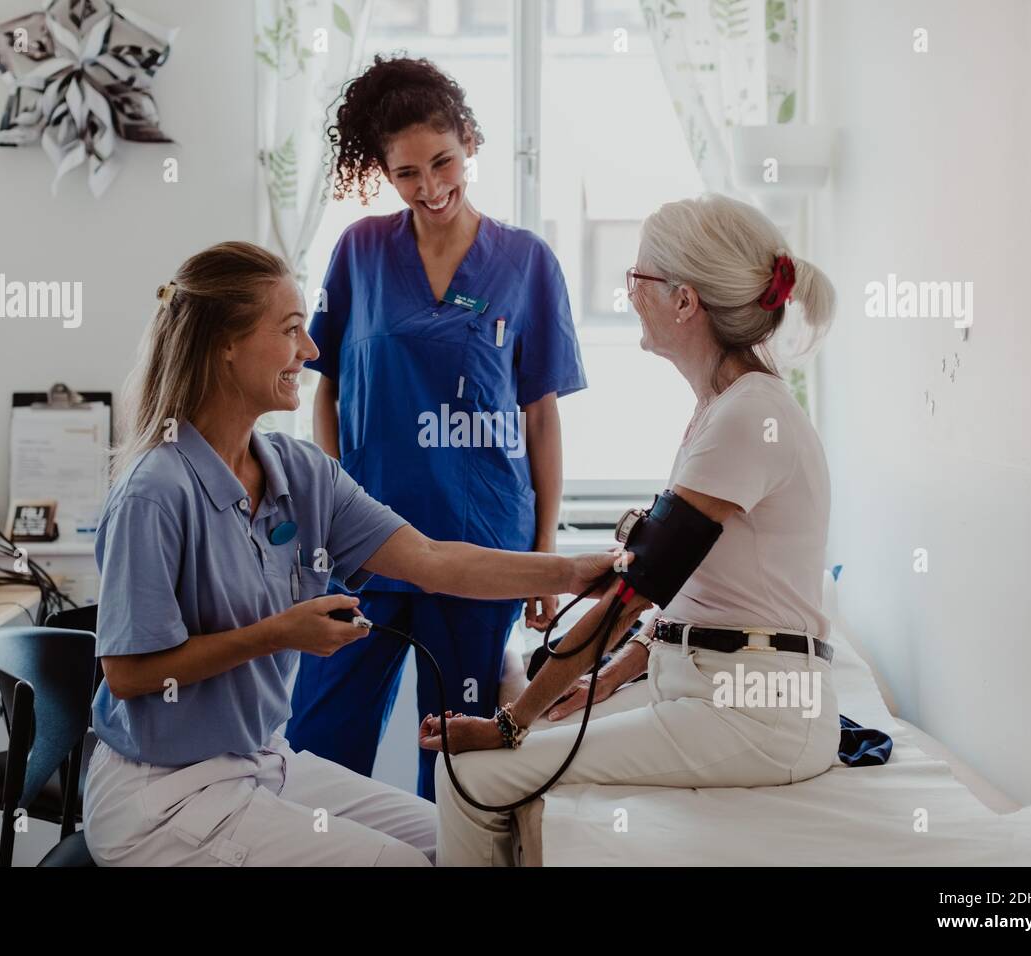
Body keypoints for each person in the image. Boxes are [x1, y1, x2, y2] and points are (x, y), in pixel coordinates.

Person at [82, 241, 612, 867]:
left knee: (477, 842)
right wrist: (278, 634)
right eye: (291, 331)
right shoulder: (156, 492)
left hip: (261, 764)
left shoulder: (300, 472)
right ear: (225, 344)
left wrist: (576, 571)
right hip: (164, 795)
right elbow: (131, 674)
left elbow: (437, 560)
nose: (310, 351)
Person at [419, 194, 841, 866]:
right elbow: (698, 596)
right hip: (713, 692)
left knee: (471, 774)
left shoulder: (746, 418)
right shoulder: (727, 409)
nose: (629, 293)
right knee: (504, 763)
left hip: (755, 716)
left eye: (638, 278)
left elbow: (637, 588)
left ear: (684, 302)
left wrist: (510, 721)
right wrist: (608, 678)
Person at [286, 55, 587, 801]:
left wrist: (544, 554)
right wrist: (333, 500)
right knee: (316, 741)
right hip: (368, 545)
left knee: (461, 759)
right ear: (383, 172)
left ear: (470, 143)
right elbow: (325, 392)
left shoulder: (527, 262)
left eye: (443, 162)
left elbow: (539, 418)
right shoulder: (359, 251)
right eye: (407, 173)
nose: (431, 187)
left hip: (483, 542)